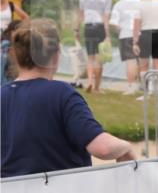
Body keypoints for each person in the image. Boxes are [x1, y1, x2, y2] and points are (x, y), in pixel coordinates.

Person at [1, 19, 136, 177]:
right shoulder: (61, 94)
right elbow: (102, 148)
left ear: (16, 56)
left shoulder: (2, 95)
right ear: (57, 54)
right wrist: (125, 146)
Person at [77, 0, 112, 93]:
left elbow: (81, 13)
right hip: (100, 27)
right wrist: (107, 35)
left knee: (90, 57)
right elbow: (106, 17)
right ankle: (97, 87)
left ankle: (90, 82)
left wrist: (77, 29)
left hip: (88, 26)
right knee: (99, 58)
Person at [132, 0, 158, 97]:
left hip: (146, 34)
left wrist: (135, 42)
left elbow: (137, 24)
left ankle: (146, 92)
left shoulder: (139, 5)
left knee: (144, 65)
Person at [110, 0, 142, 94]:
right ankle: (141, 85)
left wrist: (120, 30)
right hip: (141, 33)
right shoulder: (140, 1)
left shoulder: (119, 4)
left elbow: (114, 23)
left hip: (126, 34)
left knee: (130, 61)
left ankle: (131, 86)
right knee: (142, 61)